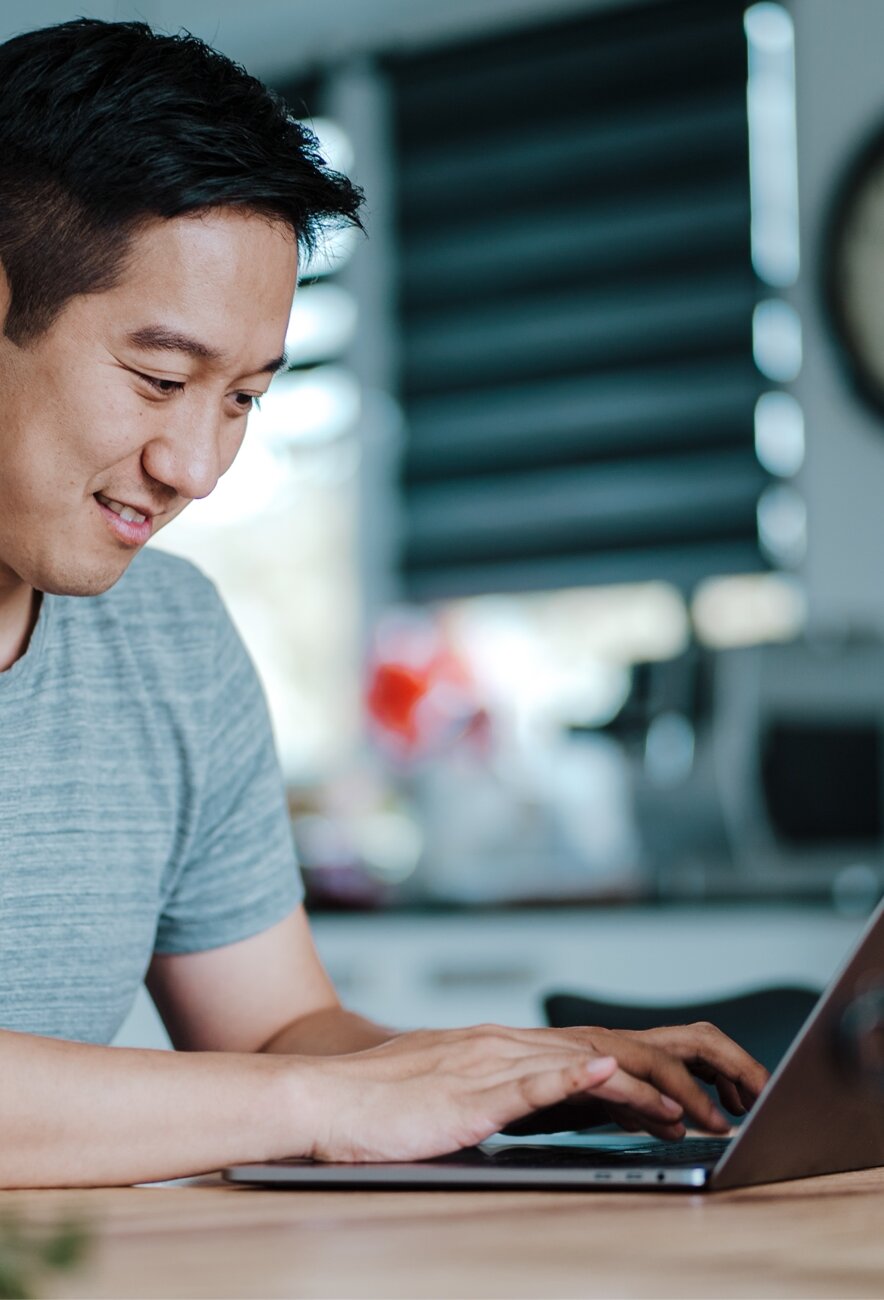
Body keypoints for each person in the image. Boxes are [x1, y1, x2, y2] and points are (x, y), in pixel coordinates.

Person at [0, 17, 768, 1189]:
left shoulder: (171, 639)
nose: (196, 467)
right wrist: (325, 1100)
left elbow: (272, 1035)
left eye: (245, 398)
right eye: (161, 379)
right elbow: (298, 1086)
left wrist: (513, 1068)